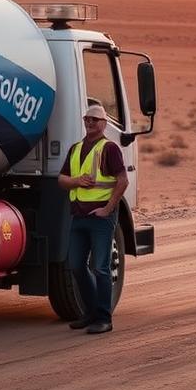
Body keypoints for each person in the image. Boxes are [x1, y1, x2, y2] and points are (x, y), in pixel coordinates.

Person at [56, 103, 129, 334]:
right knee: (76, 265)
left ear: (104, 123)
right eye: (87, 119)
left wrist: (108, 209)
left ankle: (104, 318)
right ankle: (89, 313)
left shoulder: (109, 148)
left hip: (100, 218)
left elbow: (123, 181)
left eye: (95, 120)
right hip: (78, 216)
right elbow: (61, 179)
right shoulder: (76, 149)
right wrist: (77, 181)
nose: (90, 123)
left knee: (101, 268)